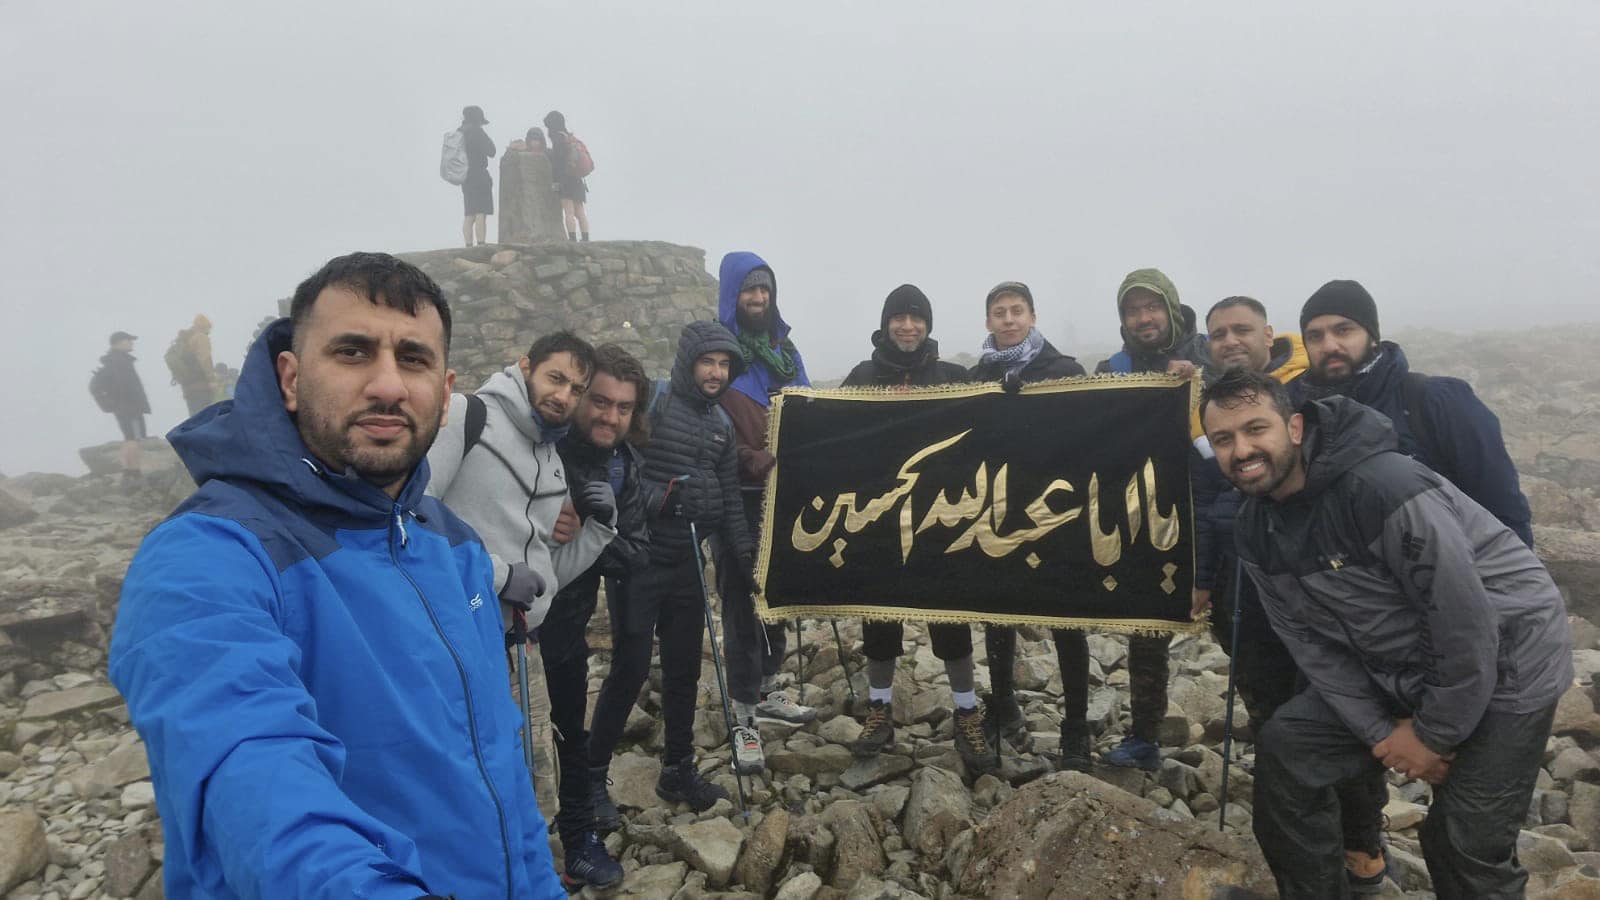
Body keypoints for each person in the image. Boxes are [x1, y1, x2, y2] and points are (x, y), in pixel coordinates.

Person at [108, 252, 567, 898]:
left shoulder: (453, 547)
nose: (388, 386)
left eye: (413, 359)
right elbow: (256, 787)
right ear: (290, 378)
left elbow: (504, 781)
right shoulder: (206, 557)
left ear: (445, 392)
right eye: (352, 352)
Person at [1200, 367, 1571, 899]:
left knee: (1463, 843)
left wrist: (1432, 737)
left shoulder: (1384, 487)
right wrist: (1381, 733)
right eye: (1223, 439)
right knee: (1289, 750)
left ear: (1295, 427)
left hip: (1512, 658)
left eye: (1256, 429)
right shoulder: (1256, 527)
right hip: (1396, 661)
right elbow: (1312, 647)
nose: (1241, 450)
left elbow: (1463, 625)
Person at [423, 330, 616, 837]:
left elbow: (542, 579)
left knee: (529, 793)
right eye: (556, 378)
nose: (564, 395)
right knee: (468, 794)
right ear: (524, 365)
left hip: (522, 650)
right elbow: (411, 518)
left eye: (576, 389)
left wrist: (600, 532)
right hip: (456, 644)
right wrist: (497, 575)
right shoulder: (467, 417)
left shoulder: (551, 458)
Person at [587, 321, 754, 807]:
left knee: (684, 670)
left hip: (687, 561)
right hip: (638, 558)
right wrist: (663, 500)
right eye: (708, 362)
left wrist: (744, 556)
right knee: (631, 667)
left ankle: (678, 769)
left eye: (724, 365)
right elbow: (617, 470)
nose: (716, 372)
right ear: (688, 363)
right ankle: (591, 779)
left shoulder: (722, 423)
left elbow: (729, 498)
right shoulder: (654, 402)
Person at [840, 285, 996, 771]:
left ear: (928, 325)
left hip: (941, 521)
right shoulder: (861, 377)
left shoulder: (953, 377)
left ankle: (967, 714)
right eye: (899, 318)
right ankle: (879, 711)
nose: (908, 327)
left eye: (917, 319)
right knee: (879, 618)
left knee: (950, 619)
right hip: (880, 520)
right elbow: (831, 433)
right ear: (886, 324)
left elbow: (991, 427)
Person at [1080, 268, 1212, 772]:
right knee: (1146, 632)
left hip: (1209, 517)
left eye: (1152, 307)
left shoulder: (1207, 357)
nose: (1144, 318)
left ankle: (1274, 737)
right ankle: (1144, 736)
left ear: (1171, 309)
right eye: (1133, 310)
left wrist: (1199, 384)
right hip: (1145, 521)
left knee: (1239, 626)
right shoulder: (1111, 369)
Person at [1292, 279, 1533, 546]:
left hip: (1448, 564)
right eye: (1315, 336)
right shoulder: (1296, 412)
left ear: (1372, 337)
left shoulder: (1434, 400)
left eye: (1343, 330)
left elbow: (1501, 504)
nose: (1329, 345)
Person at [538, 345, 651, 888]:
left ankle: (579, 839)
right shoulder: (538, 443)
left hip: (566, 629)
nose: (610, 416)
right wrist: (544, 521)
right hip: (500, 624)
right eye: (601, 402)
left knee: (569, 734)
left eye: (623, 408)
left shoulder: (624, 465)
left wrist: (592, 526)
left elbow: (637, 554)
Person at [966, 281, 1085, 765]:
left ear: (1032, 316)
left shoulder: (1065, 371)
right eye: (1000, 312)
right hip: (996, 511)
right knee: (998, 612)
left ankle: (1076, 729)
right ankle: (1003, 706)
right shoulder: (976, 377)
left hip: (1056, 513)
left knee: (1067, 619)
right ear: (988, 321)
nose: (1009, 319)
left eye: (1017, 311)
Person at [715, 252, 818, 772]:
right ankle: (743, 718)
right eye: (749, 290)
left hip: (783, 497)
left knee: (777, 596)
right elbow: (703, 430)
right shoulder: (718, 354)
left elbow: (812, 409)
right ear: (730, 295)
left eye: (765, 290)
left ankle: (770, 688)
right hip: (736, 499)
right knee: (741, 603)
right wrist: (748, 458)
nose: (758, 298)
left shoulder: (785, 352)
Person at [98, 330, 151, 477]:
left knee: (129, 439)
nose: (131, 343)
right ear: (119, 343)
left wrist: (111, 404)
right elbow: (129, 386)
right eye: (128, 340)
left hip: (123, 407)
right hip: (130, 407)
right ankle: (134, 473)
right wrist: (131, 403)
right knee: (134, 440)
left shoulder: (113, 361)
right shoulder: (120, 361)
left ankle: (128, 471)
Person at [543, 111, 589, 241]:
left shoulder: (558, 139)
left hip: (565, 180)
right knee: (580, 212)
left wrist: (555, 181)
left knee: (569, 211)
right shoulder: (568, 137)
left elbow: (558, 162)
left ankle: (572, 239)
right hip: (577, 178)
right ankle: (585, 238)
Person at [459, 105, 496, 247]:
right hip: (479, 175)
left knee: (469, 213)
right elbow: (492, 151)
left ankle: (468, 245)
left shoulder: (459, 133)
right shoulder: (477, 132)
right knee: (481, 211)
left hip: (465, 177)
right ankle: (481, 244)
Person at [168, 314, 217, 415]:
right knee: (206, 418)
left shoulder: (185, 340)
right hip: (201, 387)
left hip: (188, 389)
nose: (209, 331)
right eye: (208, 328)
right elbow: (205, 359)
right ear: (205, 326)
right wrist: (211, 380)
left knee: (195, 419)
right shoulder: (200, 337)